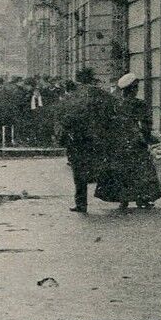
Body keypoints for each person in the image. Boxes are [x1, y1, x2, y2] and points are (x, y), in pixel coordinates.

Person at [95, 73, 161, 210]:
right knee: (140, 169)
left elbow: (105, 123)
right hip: (134, 140)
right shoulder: (139, 104)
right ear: (134, 89)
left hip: (117, 141)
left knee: (120, 170)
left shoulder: (114, 104)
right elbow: (146, 124)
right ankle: (142, 198)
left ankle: (122, 199)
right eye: (135, 87)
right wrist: (146, 137)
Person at [53, 68, 112, 213]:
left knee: (79, 171)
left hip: (78, 139)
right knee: (102, 166)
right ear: (91, 79)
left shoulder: (73, 96)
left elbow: (65, 116)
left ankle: (81, 203)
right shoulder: (102, 94)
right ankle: (112, 195)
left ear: (77, 80)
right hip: (98, 138)